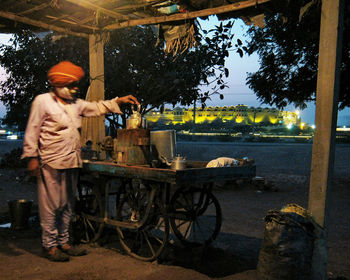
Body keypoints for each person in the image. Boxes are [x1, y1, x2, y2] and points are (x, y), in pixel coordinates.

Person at [21, 61, 139, 262]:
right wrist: (32, 157)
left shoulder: (76, 104)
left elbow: (97, 107)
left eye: (76, 85)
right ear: (59, 85)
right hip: (51, 161)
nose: (75, 89)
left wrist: (118, 100)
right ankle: (50, 246)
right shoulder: (42, 102)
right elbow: (32, 130)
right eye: (71, 85)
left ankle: (64, 242)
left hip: (72, 160)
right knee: (51, 205)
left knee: (67, 204)